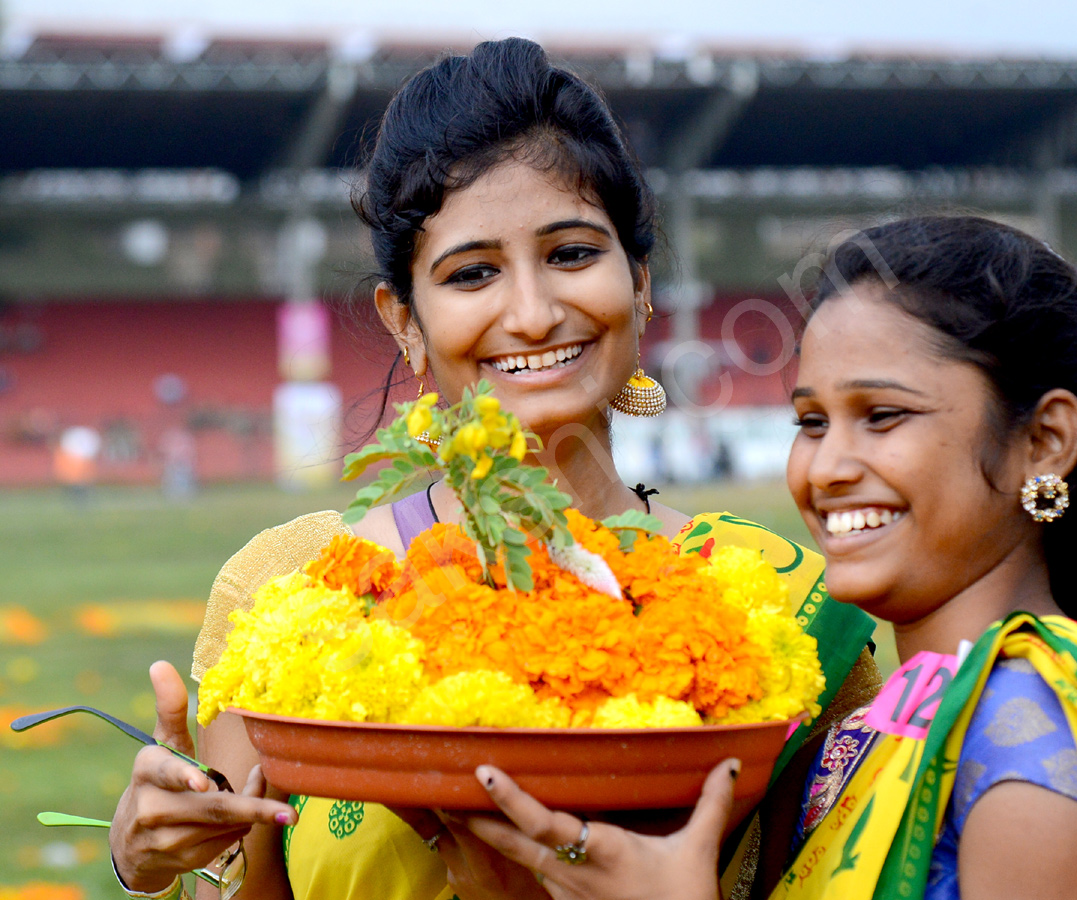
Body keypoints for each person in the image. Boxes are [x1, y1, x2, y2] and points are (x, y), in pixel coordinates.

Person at [105, 38, 879, 900]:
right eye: (473, 273)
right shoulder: (290, 596)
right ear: (406, 320)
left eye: (574, 254)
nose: (534, 312)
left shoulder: (781, 611)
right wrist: (161, 858)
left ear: (642, 281)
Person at [452, 216, 1077, 900]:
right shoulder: (885, 722)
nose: (828, 466)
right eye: (811, 421)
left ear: (1044, 441)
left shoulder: (1031, 753)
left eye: (882, 416)